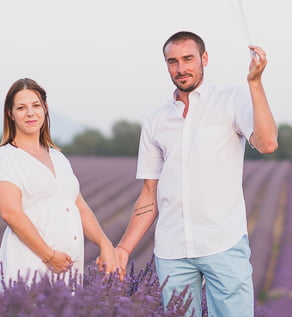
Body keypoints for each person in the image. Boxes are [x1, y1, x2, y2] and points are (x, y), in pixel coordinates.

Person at [114, 31, 278, 316]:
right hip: (172, 250)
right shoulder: (156, 121)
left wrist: (254, 83)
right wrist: (123, 249)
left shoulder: (230, 100)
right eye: (172, 61)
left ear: (204, 58)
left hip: (223, 243)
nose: (181, 68)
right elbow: (149, 195)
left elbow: (267, 143)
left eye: (188, 59)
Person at [0, 78, 118, 291]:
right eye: (21, 108)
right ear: (10, 113)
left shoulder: (58, 157)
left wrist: (105, 244)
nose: (30, 113)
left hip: (67, 268)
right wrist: (48, 256)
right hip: (29, 265)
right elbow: (10, 213)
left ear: (45, 109)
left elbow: (80, 207)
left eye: (36, 105)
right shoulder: (5, 157)